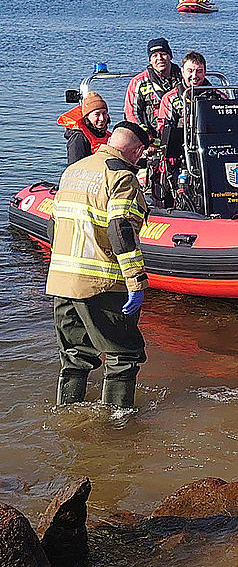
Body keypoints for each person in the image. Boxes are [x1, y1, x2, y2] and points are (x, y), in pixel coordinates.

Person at [46, 121, 151, 408]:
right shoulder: (121, 177)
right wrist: (136, 283)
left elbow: (53, 229)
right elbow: (121, 232)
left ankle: (67, 412)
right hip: (100, 284)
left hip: (61, 282)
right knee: (123, 354)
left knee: (74, 357)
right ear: (137, 150)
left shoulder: (73, 171)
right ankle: (118, 425)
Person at [156, 51, 221, 203]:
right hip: (180, 154)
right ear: (182, 71)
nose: (194, 76)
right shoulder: (170, 98)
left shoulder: (217, 96)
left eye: (199, 71)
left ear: (205, 72)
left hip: (211, 152)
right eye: (190, 71)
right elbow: (162, 129)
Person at [124, 38, 181, 145]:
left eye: (163, 54)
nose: (159, 58)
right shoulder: (138, 82)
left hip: (181, 136)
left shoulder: (185, 78)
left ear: (170, 56)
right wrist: (145, 138)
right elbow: (131, 114)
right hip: (151, 140)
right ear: (150, 60)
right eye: (155, 55)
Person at [58, 91, 110, 165]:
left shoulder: (108, 136)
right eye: (97, 114)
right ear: (87, 117)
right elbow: (74, 168)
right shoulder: (79, 138)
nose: (102, 118)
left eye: (104, 113)